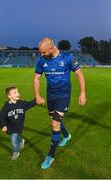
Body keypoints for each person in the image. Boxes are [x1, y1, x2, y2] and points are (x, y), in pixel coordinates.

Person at [34, 37, 86, 169]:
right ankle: (67, 135)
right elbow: (37, 78)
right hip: (50, 95)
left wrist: (82, 93)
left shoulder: (68, 57)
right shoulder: (42, 60)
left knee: (55, 123)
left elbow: (79, 74)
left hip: (63, 95)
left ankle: (50, 156)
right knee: (54, 119)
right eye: (41, 52)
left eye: (44, 52)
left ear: (51, 48)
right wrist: (37, 95)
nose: (42, 55)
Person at [0, 86, 38, 160]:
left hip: (19, 126)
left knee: (17, 136)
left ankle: (16, 150)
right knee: (14, 141)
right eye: (15, 92)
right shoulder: (6, 107)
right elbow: (2, 116)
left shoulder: (21, 103)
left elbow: (29, 104)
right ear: (9, 96)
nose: (18, 93)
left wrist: (36, 100)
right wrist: (3, 125)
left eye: (18, 92)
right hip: (11, 128)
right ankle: (17, 149)